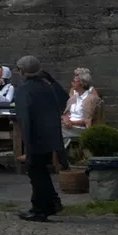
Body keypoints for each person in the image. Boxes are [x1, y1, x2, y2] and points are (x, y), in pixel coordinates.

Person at [14, 55, 68, 222]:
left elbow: (24, 117)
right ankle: (50, 202)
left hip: (36, 135)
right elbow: (63, 100)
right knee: (41, 171)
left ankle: (41, 208)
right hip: (49, 135)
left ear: (22, 71)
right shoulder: (47, 85)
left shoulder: (24, 89)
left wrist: (27, 144)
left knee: (36, 172)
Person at [62, 68, 99, 139]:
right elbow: (66, 113)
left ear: (82, 83)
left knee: (58, 130)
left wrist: (72, 123)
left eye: (74, 81)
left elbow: (88, 120)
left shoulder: (90, 99)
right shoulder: (73, 98)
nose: (72, 83)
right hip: (69, 126)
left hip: (80, 129)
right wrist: (65, 120)